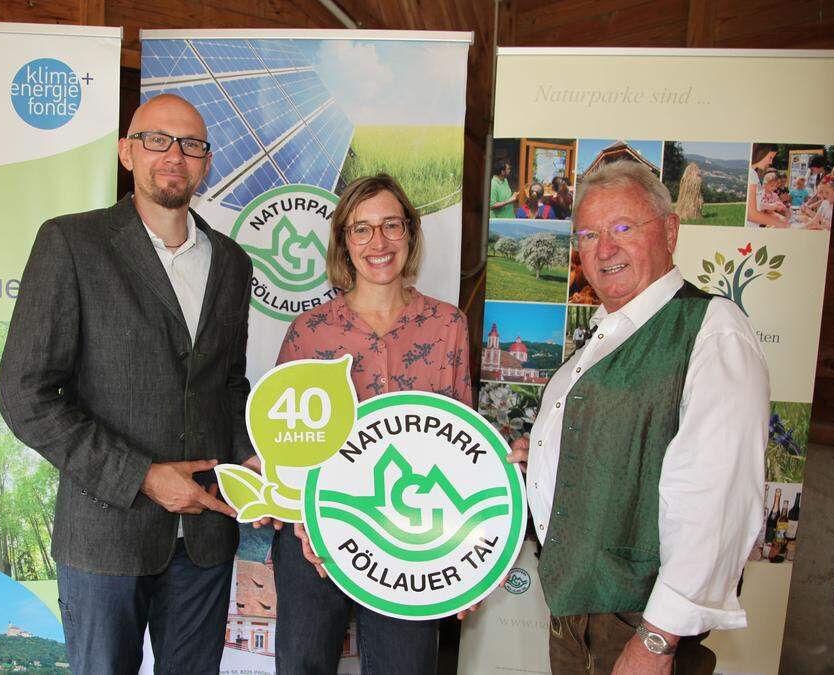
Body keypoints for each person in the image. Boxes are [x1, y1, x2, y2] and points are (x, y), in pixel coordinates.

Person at [0, 93, 258, 675]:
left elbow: (227, 385)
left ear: (207, 162)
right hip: (104, 535)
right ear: (126, 152)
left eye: (192, 144)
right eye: (157, 140)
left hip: (207, 534)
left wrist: (253, 454)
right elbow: (25, 395)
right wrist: (140, 476)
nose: (175, 155)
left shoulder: (234, 263)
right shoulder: (71, 243)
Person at [509, 160, 768, 674]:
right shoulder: (608, 332)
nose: (603, 249)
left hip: (636, 626)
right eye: (587, 235)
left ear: (670, 231)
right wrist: (535, 459)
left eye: (622, 228)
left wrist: (657, 640)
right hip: (573, 615)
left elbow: (718, 499)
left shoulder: (711, 331)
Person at [271, 174, 472, 675]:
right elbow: (284, 443)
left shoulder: (448, 325)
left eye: (391, 226)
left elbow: (463, 441)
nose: (378, 243)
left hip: (412, 541)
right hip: (313, 536)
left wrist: (466, 558)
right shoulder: (309, 331)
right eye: (361, 229)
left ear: (410, 233)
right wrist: (296, 510)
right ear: (344, 241)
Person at [745, 143, 783, 228]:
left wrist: (771, 206)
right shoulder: (751, 174)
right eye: (770, 157)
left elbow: (754, 204)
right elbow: (751, 214)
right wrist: (782, 224)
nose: (771, 162)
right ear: (761, 153)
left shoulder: (754, 174)